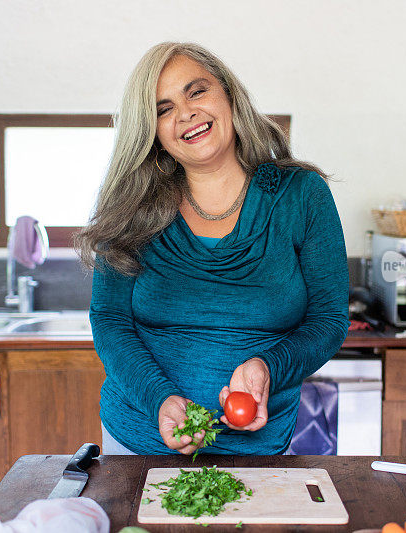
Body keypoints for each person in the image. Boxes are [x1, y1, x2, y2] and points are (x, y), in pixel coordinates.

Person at [76, 42, 349, 456]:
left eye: (196, 91)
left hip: (259, 445)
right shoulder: (130, 205)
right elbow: (110, 320)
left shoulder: (301, 196)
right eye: (163, 108)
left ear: (228, 95)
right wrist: (160, 399)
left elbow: (328, 319)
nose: (185, 113)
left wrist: (268, 367)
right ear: (153, 132)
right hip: (137, 442)